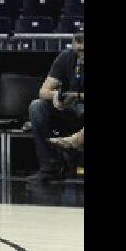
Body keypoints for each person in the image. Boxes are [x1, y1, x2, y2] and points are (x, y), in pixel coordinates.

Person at [26, 32, 84, 183]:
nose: (81, 47)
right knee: (37, 106)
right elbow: (43, 91)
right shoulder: (66, 57)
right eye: (77, 42)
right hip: (70, 110)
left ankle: (75, 142)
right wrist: (57, 97)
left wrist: (77, 96)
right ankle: (50, 168)